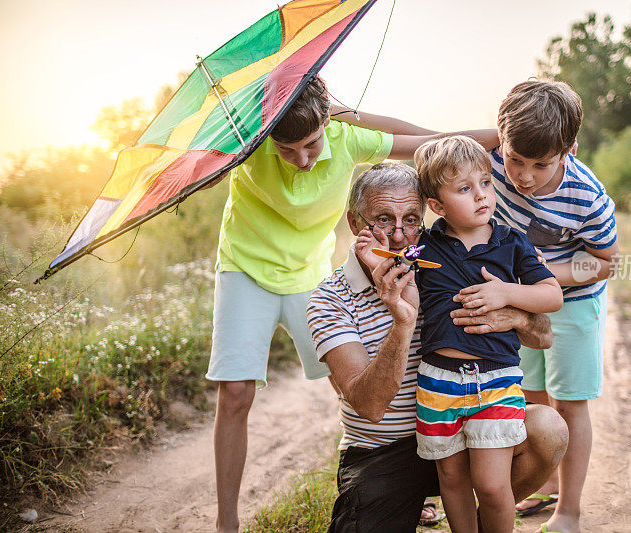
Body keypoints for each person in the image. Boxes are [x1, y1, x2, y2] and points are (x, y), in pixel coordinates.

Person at [206, 75, 498, 532]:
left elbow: (426, 143)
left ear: (327, 121)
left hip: (307, 269)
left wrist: (506, 138)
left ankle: (401, 484)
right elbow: (198, 160)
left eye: (310, 144)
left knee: (348, 381)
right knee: (237, 391)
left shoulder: (347, 137)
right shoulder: (246, 140)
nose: (302, 159)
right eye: (287, 149)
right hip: (245, 265)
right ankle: (227, 521)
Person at [307, 163, 569, 532]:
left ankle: (482, 521)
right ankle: (416, 505)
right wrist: (403, 320)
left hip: (468, 425)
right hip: (383, 453)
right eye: (383, 219)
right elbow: (369, 407)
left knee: (548, 428)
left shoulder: (439, 258)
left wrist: (517, 313)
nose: (399, 236)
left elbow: (544, 336)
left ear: (425, 218)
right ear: (355, 224)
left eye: (411, 219)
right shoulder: (328, 300)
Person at [412, 136, 564, 533]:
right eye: (464, 189)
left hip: (495, 380)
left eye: (484, 182)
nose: (481, 195)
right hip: (438, 380)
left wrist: (506, 292)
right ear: (437, 206)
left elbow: (552, 295)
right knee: (453, 481)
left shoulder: (512, 242)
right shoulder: (423, 245)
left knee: (493, 486)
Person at [490, 79, 619, 533]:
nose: (523, 176)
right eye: (514, 160)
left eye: (540, 165)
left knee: (570, 404)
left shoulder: (588, 198)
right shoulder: (490, 162)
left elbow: (607, 262)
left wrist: (549, 277)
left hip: (574, 306)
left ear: (569, 150)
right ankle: (540, 487)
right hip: (522, 303)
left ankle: (569, 510)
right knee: (530, 395)